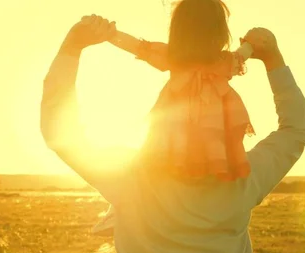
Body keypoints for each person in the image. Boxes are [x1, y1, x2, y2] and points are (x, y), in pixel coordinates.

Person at [41, 8, 305, 253]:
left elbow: (58, 130)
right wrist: (273, 59)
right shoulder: (244, 178)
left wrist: (73, 46)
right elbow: (295, 130)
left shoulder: (130, 181)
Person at [91, 0, 256, 235]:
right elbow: (243, 55)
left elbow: (138, 47)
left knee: (150, 162)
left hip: (177, 126)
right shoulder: (216, 61)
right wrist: (252, 43)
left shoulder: (178, 57)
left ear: (177, 30)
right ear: (220, 31)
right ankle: (123, 208)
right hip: (206, 129)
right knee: (177, 161)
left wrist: (110, 34)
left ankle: (123, 207)